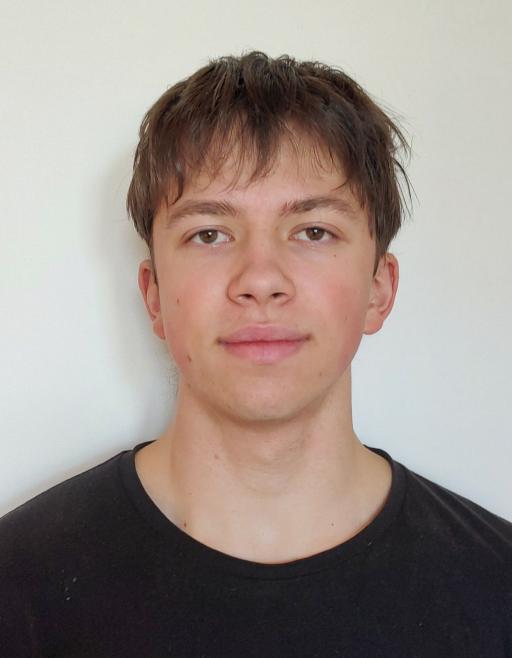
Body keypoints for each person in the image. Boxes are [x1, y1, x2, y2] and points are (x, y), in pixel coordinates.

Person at [1, 51, 511, 657]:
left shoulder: (497, 590)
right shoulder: (18, 583)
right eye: (209, 233)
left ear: (380, 288)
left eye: (314, 231)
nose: (261, 279)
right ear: (154, 295)